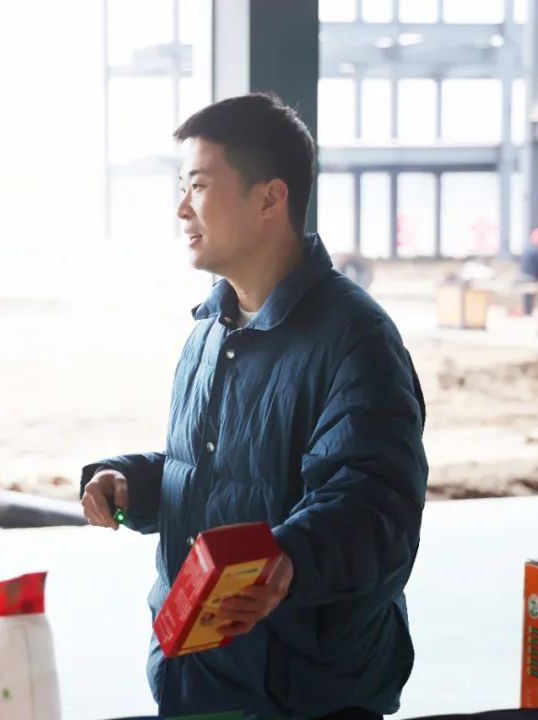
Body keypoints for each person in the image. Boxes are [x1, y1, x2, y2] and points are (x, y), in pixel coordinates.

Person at [80, 94, 428, 720]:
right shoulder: (211, 329)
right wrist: (133, 482)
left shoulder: (355, 338)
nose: (181, 209)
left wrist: (288, 559)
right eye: (181, 188)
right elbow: (219, 473)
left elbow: (376, 504)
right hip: (199, 676)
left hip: (303, 692)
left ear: (270, 199)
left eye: (198, 186)